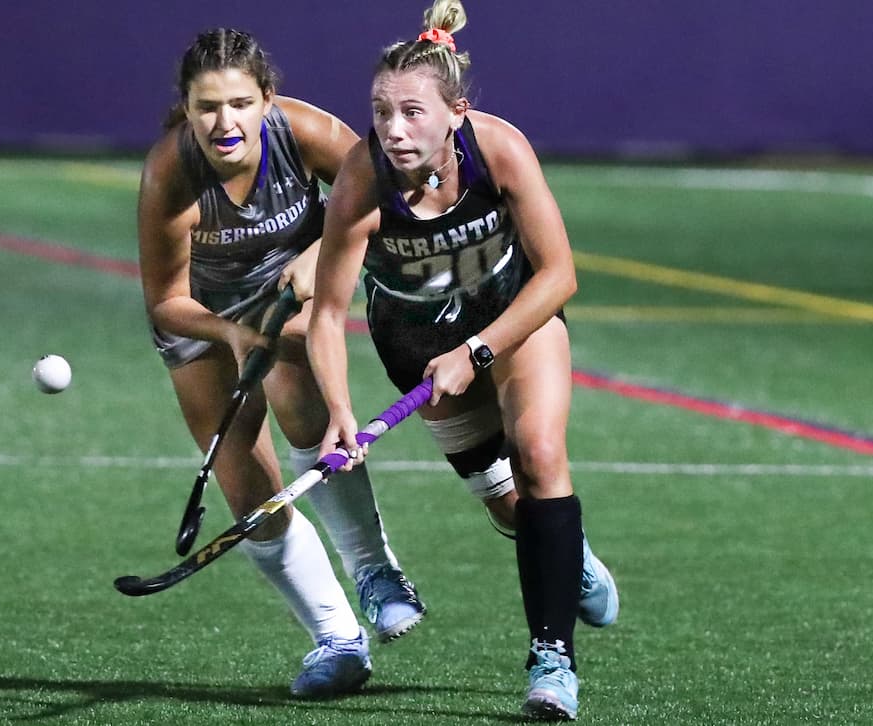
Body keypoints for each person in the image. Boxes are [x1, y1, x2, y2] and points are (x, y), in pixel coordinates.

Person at [307, 0, 619, 719]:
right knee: (514, 510)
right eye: (382, 112)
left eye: (412, 112)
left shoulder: (498, 148)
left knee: (540, 455)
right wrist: (340, 414)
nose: (393, 129)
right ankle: (568, 559)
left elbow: (559, 274)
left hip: (511, 320)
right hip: (413, 346)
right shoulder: (363, 177)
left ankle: (552, 662)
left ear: (455, 112)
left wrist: (478, 349)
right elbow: (326, 312)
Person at [137, 29, 428, 698]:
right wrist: (232, 334)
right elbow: (165, 302)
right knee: (248, 492)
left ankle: (374, 570)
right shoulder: (170, 173)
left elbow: (386, 194)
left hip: (292, 289)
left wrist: (318, 255)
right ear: (186, 107)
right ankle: (338, 640)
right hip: (201, 313)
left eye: (240, 103)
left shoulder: (301, 134)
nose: (224, 122)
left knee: (295, 372)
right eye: (207, 106)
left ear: (267, 99)